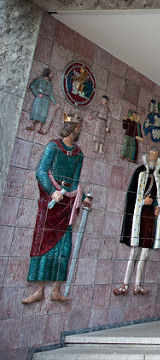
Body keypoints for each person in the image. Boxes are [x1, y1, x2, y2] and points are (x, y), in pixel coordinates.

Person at [23, 112, 91, 304]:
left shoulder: (78, 153)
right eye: (78, 127)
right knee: (44, 243)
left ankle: (56, 290)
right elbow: (41, 171)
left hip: (67, 204)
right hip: (50, 203)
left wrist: (83, 199)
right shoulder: (53, 146)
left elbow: (75, 181)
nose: (79, 130)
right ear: (71, 128)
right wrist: (52, 191)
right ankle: (39, 290)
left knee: (64, 248)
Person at [114, 147, 160, 296]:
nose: (153, 158)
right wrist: (142, 201)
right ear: (148, 156)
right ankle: (125, 284)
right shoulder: (139, 172)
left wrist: (157, 208)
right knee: (134, 252)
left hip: (150, 218)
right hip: (138, 215)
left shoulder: (159, 177)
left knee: (145, 253)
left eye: (155, 156)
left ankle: (137, 285)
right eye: (151, 155)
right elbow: (131, 194)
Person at [26, 68, 56, 134]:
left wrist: (55, 103)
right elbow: (32, 86)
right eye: (51, 74)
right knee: (36, 111)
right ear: (48, 73)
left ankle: (39, 128)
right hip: (40, 98)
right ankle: (32, 126)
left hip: (46, 100)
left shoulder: (50, 84)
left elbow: (51, 93)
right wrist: (37, 94)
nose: (52, 76)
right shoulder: (40, 80)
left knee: (43, 113)